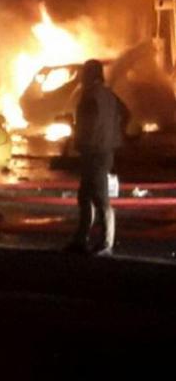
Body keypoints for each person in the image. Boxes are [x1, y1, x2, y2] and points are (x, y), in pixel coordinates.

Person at [66, 59, 129, 256]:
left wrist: (82, 140)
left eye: (85, 73)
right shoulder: (110, 95)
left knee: (99, 198)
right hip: (103, 150)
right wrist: (116, 134)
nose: (82, 77)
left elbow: (88, 125)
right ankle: (82, 239)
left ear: (91, 75)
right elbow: (126, 113)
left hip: (94, 152)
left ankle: (104, 243)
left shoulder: (91, 96)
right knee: (86, 196)